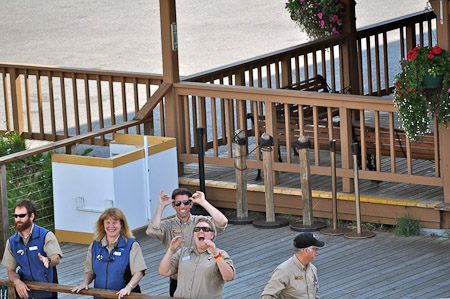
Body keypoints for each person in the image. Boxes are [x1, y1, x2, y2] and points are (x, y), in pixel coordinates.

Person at [146, 188, 228, 296]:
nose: (182, 206)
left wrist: (203, 202)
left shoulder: (201, 222)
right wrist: (161, 206)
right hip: (178, 280)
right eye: (178, 203)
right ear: (173, 205)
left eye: (185, 202)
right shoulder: (168, 225)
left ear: (191, 204)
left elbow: (222, 222)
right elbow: (152, 230)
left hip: (203, 279)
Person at [71, 208, 146, 299]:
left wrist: (128, 288)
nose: (111, 226)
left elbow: (139, 272)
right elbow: (90, 270)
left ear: (121, 224)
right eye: (107, 222)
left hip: (124, 296)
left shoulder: (131, 246)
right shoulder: (95, 245)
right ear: (102, 224)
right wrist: (85, 283)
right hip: (100, 296)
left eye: (115, 222)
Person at [158, 218, 234, 299]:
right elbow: (164, 272)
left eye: (205, 229)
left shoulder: (221, 254)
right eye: (197, 229)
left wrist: (216, 255)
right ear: (194, 235)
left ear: (212, 235)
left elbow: (229, 277)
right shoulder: (182, 252)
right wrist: (170, 250)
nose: (201, 231)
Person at [2, 199, 63, 299]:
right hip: (25, 293)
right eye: (16, 216)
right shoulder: (12, 242)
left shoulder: (46, 235)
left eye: (22, 216)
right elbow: (11, 271)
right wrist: (17, 282)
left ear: (32, 216)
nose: (18, 219)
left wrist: (48, 260)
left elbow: (56, 258)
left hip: (46, 292)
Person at [260, 232, 325, 299]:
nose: (318, 252)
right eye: (316, 249)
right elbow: (266, 296)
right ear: (306, 251)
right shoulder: (284, 271)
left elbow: (314, 295)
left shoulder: (312, 269)